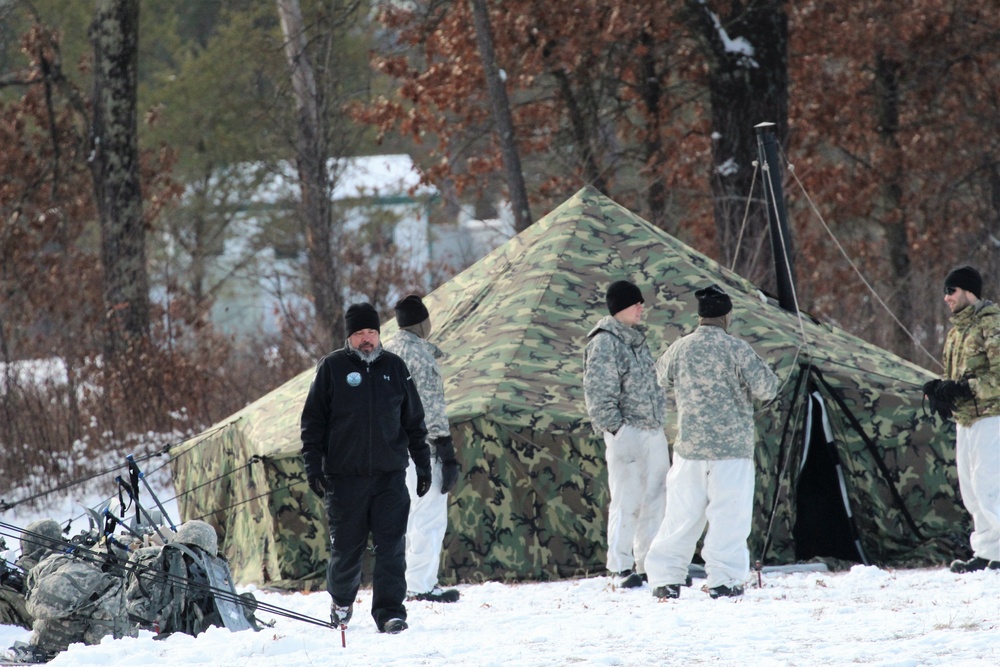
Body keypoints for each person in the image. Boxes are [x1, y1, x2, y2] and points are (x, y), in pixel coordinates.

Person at [301, 302, 433, 634]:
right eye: (359, 333)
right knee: (347, 551)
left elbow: (414, 421)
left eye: (371, 332)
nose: (366, 339)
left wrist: (423, 463)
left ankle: (390, 611)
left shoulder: (395, 367)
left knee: (391, 548)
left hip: (390, 477)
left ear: (379, 333)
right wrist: (313, 467)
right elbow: (313, 423)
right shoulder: (332, 368)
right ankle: (342, 602)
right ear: (349, 336)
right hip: (346, 479)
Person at [646, 284, 779, 600]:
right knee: (728, 518)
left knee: (681, 516)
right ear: (727, 316)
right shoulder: (737, 349)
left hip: (690, 447)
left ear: (700, 317)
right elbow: (768, 388)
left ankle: (665, 578)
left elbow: (657, 380)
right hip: (731, 451)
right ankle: (724, 580)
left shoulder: (680, 348)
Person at [583, 279, 671, 589]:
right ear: (620, 307)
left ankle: (648, 564)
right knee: (627, 499)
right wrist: (617, 430)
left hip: (652, 430)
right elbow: (598, 393)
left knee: (656, 498)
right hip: (629, 433)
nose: (641, 307)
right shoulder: (605, 342)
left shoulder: (635, 339)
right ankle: (620, 566)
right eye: (635, 303)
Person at [382, 295, 461, 603]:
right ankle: (421, 585)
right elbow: (430, 406)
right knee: (429, 516)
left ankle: (406, 583)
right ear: (422, 322)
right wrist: (445, 448)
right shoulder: (420, 356)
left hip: (395, 450)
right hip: (422, 449)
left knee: (408, 517)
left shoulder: (386, 351)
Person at [922, 266, 1000, 573]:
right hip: (966, 420)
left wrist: (965, 388)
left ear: (969, 292)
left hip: (992, 417)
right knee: (970, 490)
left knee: (989, 486)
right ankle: (988, 552)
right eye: (944, 291)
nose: (945, 298)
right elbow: (952, 377)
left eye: (951, 291)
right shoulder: (956, 332)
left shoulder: (991, 325)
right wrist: (940, 390)